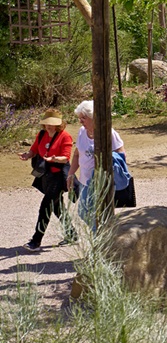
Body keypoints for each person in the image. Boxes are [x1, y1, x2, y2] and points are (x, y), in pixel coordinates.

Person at [18, 108, 73, 250]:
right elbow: (34, 150)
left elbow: (66, 157)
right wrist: (27, 155)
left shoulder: (65, 136)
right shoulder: (41, 134)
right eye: (47, 123)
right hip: (46, 176)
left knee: (45, 207)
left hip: (58, 177)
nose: (49, 126)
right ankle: (72, 234)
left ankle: (36, 241)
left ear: (59, 124)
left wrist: (55, 158)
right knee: (57, 207)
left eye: (52, 123)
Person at [69, 100, 126, 229]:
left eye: (84, 118)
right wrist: (71, 174)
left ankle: (101, 241)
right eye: (80, 118)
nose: (81, 121)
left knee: (98, 213)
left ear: (93, 117)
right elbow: (77, 154)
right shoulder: (82, 132)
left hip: (100, 181)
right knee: (83, 212)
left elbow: (121, 155)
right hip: (85, 181)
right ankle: (102, 238)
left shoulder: (108, 133)